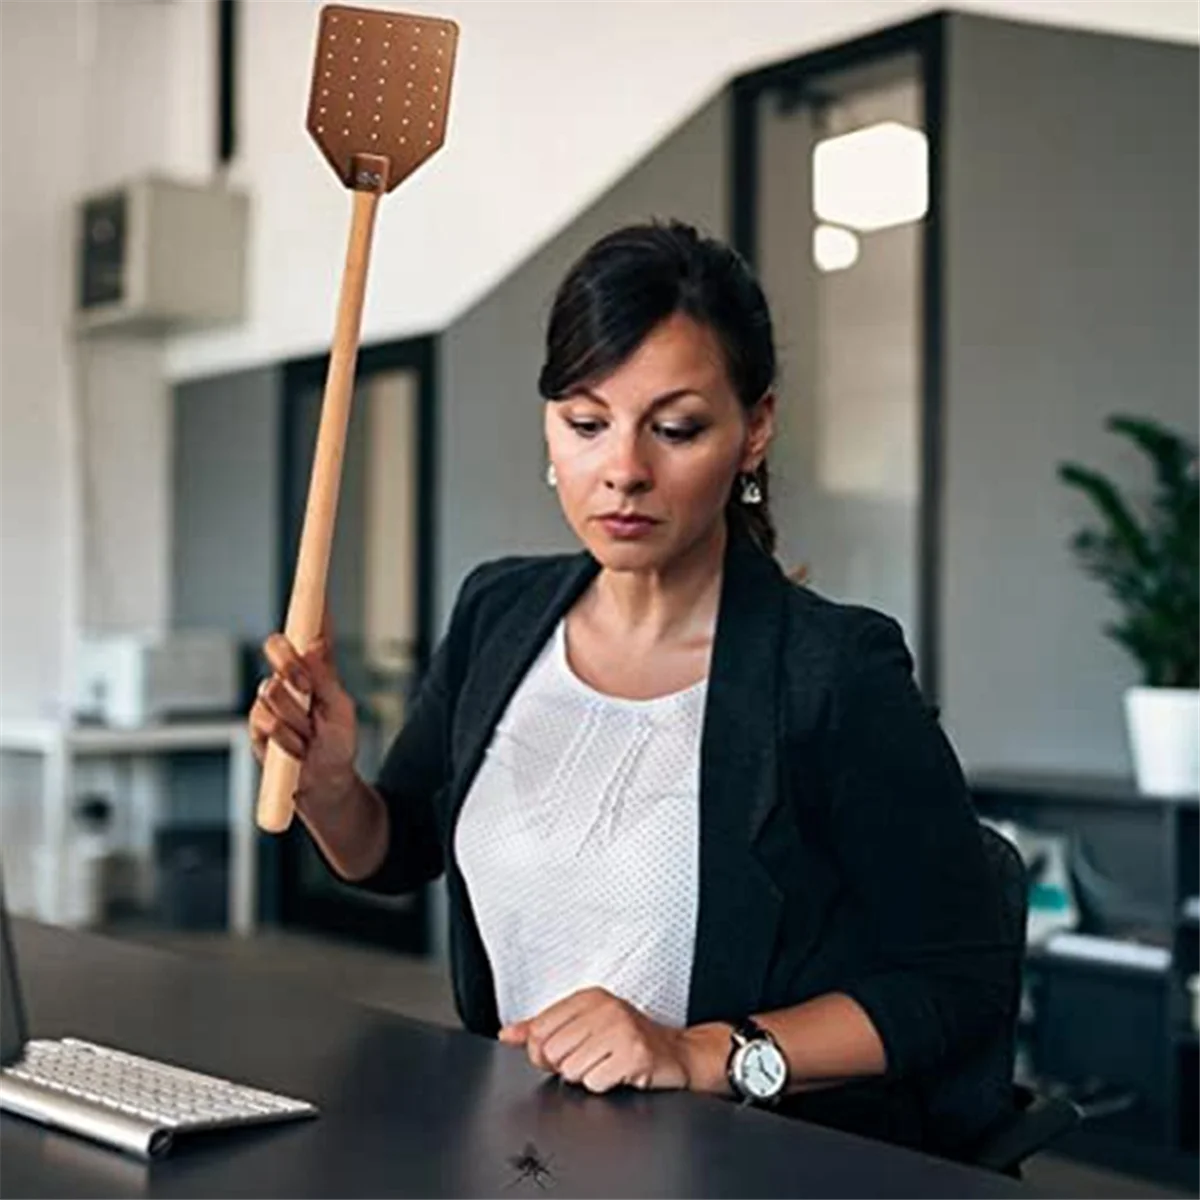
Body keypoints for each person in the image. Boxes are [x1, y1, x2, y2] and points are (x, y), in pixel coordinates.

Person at [249, 220, 1019, 1160]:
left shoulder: (832, 671)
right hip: (523, 1152)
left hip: (743, 1165)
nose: (623, 470)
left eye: (677, 428)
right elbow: (396, 848)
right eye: (586, 423)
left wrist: (700, 1054)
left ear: (755, 430)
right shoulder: (500, 610)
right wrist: (333, 782)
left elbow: (956, 978)